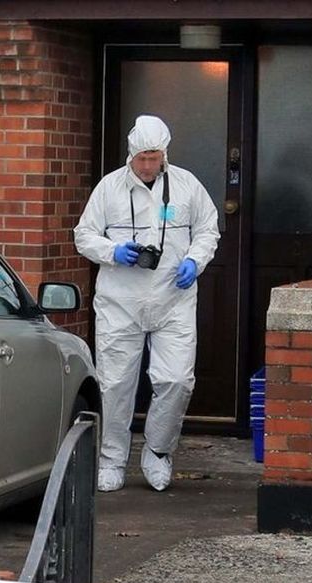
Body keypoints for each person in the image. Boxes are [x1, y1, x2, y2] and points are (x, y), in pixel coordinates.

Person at [74, 115, 219, 492]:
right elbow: (83, 235)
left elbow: (208, 228)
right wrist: (113, 251)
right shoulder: (109, 188)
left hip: (174, 298)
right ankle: (112, 458)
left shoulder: (186, 186)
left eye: (154, 157)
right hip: (120, 301)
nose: (148, 165)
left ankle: (157, 451)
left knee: (176, 379)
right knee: (115, 383)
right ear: (131, 154)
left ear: (164, 153)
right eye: (142, 158)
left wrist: (194, 261)